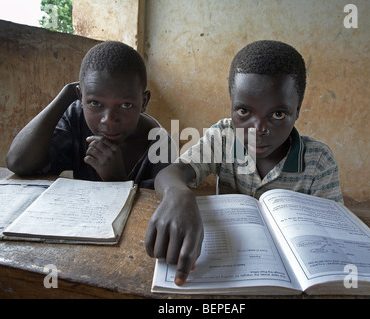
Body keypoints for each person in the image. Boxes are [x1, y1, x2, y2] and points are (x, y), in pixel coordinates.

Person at [145, 40, 343, 285]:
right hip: (231, 263)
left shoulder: (318, 162)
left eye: (278, 114)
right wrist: (179, 195)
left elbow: (334, 233)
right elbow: (171, 173)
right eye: (243, 112)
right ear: (231, 105)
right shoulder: (223, 138)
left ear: (297, 110)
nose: (258, 129)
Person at [6, 41, 172, 188]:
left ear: (143, 102)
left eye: (125, 105)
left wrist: (117, 180)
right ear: (80, 97)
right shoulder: (76, 118)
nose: (108, 120)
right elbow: (18, 162)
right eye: (95, 103)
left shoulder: (159, 145)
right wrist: (65, 95)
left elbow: (153, 213)